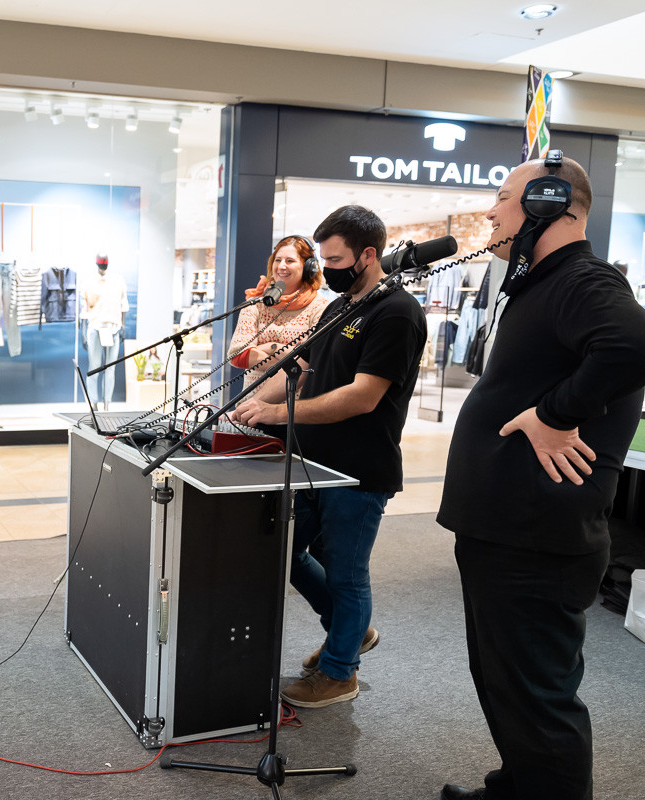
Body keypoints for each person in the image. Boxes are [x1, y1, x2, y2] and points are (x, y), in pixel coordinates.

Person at [436, 156, 645, 800]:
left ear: (548, 203)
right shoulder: (543, 283)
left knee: (537, 696)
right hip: (506, 528)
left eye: (503, 197)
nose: (491, 212)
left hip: (535, 537)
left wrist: (554, 414)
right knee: (506, 684)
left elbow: (633, 346)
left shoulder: (584, 279)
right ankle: (518, 785)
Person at [230, 205, 427, 708]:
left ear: (368, 254)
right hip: (313, 463)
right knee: (287, 554)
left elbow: (363, 396)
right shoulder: (340, 307)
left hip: (359, 470)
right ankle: (349, 632)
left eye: (337, 260)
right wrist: (246, 405)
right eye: (325, 260)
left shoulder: (397, 312)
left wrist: (279, 414)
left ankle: (340, 672)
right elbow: (299, 366)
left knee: (346, 572)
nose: (328, 268)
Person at [227, 235, 330, 392]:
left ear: (309, 267)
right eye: (278, 260)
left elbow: (315, 361)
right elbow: (238, 356)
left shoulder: (321, 308)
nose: (282, 266)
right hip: (251, 403)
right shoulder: (256, 304)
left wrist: (271, 347)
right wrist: (292, 363)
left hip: (295, 405)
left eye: (290, 261)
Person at [81, 253, 128, 407]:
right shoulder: (88, 282)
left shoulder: (118, 281)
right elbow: (84, 308)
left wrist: (123, 326)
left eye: (105, 263)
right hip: (95, 327)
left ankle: (107, 402)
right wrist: (83, 332)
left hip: (114, 328)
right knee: (94, 367)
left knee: (110, 369)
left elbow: (123, 304)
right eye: (101, 263)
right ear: (97, 264)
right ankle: (93, 402)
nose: (103, 266)